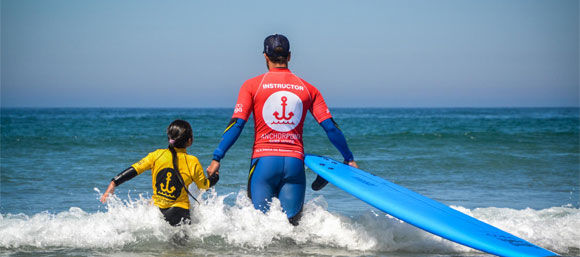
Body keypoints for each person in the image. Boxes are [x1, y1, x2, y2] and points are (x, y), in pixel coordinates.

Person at [206, 34, 357, 225]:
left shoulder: (252, 85)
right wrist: (349, 159)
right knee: (293, 227)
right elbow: (331, 128)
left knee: (260, 227)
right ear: (289, 56)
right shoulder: (308, 89)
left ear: (265, 56)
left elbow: (237, 124)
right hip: (294, 163)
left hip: (264, 162)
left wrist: (217, 157)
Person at [101, 120, 219, 226]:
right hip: (179, 212)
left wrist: (114, 183)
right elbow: (204, 185)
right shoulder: (192, 161)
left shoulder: (156, 155)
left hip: (157, 211)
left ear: (169, 138)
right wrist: (215, 176)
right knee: (181, 249)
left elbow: (134, 170)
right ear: (189, 140)